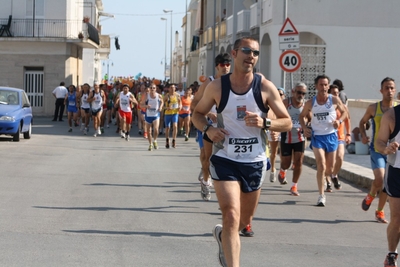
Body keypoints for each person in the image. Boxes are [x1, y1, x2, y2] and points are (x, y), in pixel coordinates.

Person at [192, 36, 292, 267]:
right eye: (246, 51)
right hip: (225, 157)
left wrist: (265, 123)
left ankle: (224, 238)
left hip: (255, 160)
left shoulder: (264, 87)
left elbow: (286, 122)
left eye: (255, 53)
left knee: (243, 220)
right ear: (234, 54)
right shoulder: (217, 86)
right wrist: (208, 130)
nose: (251, 56)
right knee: (230, 215)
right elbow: (197, 114)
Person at [299, 74, 348, 207]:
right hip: (317, 137)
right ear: (316, 86)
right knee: (321, 165)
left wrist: (339, 120)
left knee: (329, 168)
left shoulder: (334, 100)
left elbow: (345, 112)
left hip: (331, 136)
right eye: (321, 85)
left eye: (326, 85)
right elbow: (301, 116)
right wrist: (304, 128)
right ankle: (321, 196)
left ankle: (328, 178)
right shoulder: (311, 102)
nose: (324, 87)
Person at [190, 53, 231, 202]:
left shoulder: (233, 82)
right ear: (216, 66)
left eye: (228, 64)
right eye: (222, 65)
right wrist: (208, 114)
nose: (225, 67)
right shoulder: (209, 83)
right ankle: (206, 181)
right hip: (208, 126)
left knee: (226, 159)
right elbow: (194, 105)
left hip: (227, 128)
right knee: (207, 157)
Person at [359, 77, 397, 223]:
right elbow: (362, 122)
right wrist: (363, 135)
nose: (389, 91)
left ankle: (380, 211)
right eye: (386, 88)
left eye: (392, 88)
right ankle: (371, 195)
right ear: (381, 91)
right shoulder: (374, 108)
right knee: (380, 179)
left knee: (386, 183)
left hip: (394, 151)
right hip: (377, 149)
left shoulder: (398, 108)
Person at [375, 104, 400, 267]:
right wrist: (387, 149)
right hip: (397, 172)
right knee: (397, 218)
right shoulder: (392, 116)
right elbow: (379, 142)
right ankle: (392, 254)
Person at [277, 82, 307, 196]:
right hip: (286, 135)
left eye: (303, 93)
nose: (301, 95)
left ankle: (294, 186)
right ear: (293, 92)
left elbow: (309, 117)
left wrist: (306, 125)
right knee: (286, 163)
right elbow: (277, 115)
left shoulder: (306, 105)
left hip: (299, 136)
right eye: (299, 92)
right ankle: (282, 170)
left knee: (299, 161)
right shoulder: (286, 103)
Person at [325, 84, 351, 192]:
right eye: (334, 93)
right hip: (327, 136)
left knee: (340, 157)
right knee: (328, 162)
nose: (336, 95)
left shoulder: (342, 106)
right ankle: (328, 183)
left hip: (339, 136)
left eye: (337, 93)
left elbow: (347, 120)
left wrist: (348, 134)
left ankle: (334, 175)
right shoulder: (324, 106)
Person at [268, 86, 285, 183]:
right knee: (274, 153)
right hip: (274, 131)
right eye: (277, 94)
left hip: (285, 131)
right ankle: (273, 170)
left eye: (281, 94)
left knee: (284, 154)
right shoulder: (272, 105)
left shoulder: (286, 105)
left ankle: (283, 172)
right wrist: (273, 129)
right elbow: (270, 118)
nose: (279, 96)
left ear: (284, 96)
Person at [142, 83, 163, 150]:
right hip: (148, 115)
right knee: (149, 131)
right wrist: (146, 106)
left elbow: (162, 102)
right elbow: (141, 104)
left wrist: (160, 107)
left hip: (156, 114)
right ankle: (150, 144)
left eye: (153, 88)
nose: (152, 89)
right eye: (151, 88)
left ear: (156, 89)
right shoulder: (146, 95)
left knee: (156, 129)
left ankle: (155, 140)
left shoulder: (159, 95)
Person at [163, 83, 181, 148]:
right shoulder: (166, 96)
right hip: (168, 113)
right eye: (171, 87)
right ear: (169, 89)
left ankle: (174, 140)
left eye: (174, 87)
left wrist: (180, 107)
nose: (173, 89)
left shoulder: (177, 95)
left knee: (175, 126)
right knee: (167, 128)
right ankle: (167, 140)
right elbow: (162, 105)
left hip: (175, 113)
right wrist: (166, 108)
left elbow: (180, 103)